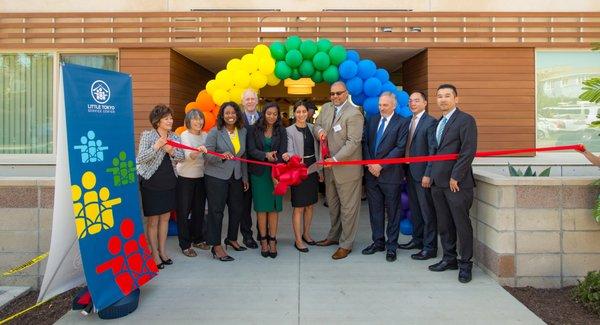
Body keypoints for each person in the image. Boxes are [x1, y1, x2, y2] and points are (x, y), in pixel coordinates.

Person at [428, 84, 478, 283]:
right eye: (439, 96)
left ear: (456, 99)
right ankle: (449, 259)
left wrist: (455, 176)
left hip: (457, 183)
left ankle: (465, 264)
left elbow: (468, 151)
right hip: (438, 183)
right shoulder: (439, 123)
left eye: (447, 96)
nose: (443, 99)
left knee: (461, 224)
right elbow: (435, 153)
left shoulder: (465, 120)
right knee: (444, 224)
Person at [314, 81, 364, 260]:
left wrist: (334, 159)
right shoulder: (326, 108)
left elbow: (353, 142)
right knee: (333, 206)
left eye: (338, 93)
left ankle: (346, 244)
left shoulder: (354, 113)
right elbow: (316, 125)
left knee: (349, 209)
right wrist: (319, 131)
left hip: (346, 170)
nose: (335, 97)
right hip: (329, 169)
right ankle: (334, 236)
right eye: (332, 94)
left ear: (346, 93)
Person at [361, 92, 410, 262]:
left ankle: (391, 246)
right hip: (371, 174)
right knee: (375, 210)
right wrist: (370, 164)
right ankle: (378, 242)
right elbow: (365, 143)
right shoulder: (372, 119)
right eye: (380, 105)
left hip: (390, 175)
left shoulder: (403, 122)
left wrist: (381, 165)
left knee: (393, 211)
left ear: (394, 106)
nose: (381, 108)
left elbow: (400, 148)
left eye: (385, 105)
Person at [137, 104, 184, 269]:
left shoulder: (175, 136)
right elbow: (140, 158)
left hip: (169, 181)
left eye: (171, 118)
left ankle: (163, 251)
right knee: (153, 220)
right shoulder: (148, 136)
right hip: (151, 182)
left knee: (165, 218)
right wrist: (157, 147)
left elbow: (181, 156)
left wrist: (171, 151)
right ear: (157, 121)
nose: (170, 121)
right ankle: (154, 254)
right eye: (167, 118)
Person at [204, 101, 249, 262]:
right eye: (227, 113)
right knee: (217, 212)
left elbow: (242, 157)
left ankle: (231, 238)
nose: (230, 116)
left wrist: (244, 177)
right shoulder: (215, 131)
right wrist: (221, 156)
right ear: (222, 116)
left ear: (237, 115)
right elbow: (207, 154)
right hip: (216, 177)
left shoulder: (242, 131)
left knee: (237, 209)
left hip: (236, 176)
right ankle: (215, 246)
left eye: (233, 113)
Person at [399, 91, 439, 261]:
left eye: (416, 101)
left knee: (427, 211)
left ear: (425, 103)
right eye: (410, 101)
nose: (412, 103)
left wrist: (428, 174)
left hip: (422, 173)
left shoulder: (430, 122)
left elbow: (433, 151)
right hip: (408, 171)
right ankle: (417, 240)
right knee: (415, 209)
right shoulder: (408, 121)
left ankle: (430, 248)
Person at [247, 102, 288, 258]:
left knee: (274, 208)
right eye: (269, 113)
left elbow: (283, 151)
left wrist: (277, 173)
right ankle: (263, 240)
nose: (272, 116)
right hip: (259, 175)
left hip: (276, 174)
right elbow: (251, 150)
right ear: (263, 113)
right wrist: (265, 155)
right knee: (261, 208)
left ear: (278, 116)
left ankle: (272, 240)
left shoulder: (281, 131)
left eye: (275, 114)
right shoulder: (253, 129)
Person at [284, 100, 323, 253]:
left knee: (310, 205)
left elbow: (319, 148)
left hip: (312, 169)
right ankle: (298, 240)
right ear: (294, 113)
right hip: (298, 171)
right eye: (298, 111)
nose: (301, 114)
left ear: (308, 113)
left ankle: (306, 233)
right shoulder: (289, 131)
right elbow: (289, 150)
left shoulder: (313, 128)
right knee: (299, 206)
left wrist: (320, 171)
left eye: (304, 111)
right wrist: (294, 160)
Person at [176, 109, 209, 258]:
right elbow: (190, 156)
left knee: (199, 210)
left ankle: (198, 239)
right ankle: (185, 244)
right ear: (188, 121)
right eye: (195, 119)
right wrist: (199, 150)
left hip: (201, 177)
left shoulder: (206, 135)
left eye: (200, 119)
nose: (199, 122)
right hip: (185, 178)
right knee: (183, 212)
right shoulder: (184, 135)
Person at [239, 89, 260, 249]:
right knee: (245, 205)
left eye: (253, 98)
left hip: (262, 168)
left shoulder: (264, 118)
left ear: (257, 100)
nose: (250, 101)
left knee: (262, 202)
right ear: (242, 101)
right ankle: (247, 236)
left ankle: (263, 232)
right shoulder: (237, 119)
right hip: (243, 168)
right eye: (247, 99)